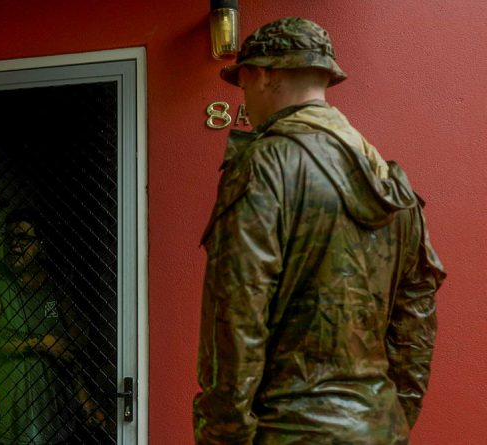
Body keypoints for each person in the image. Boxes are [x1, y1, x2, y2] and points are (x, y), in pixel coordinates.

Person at [194, 17, 446, 445]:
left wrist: (224, 435)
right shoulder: (389, 180)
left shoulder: (264, 165)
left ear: (263, 75)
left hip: (287, 431)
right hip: (379, 428)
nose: (246, 100)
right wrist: (392, 418)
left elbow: (236, 313)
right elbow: (416, 320)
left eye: (244, 84)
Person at [0, 208, 105, 444]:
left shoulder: (53, 283)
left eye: (23, 238)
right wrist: (41, 343)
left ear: (40, 244)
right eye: (9, 238)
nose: (14, 245)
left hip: (50, 408)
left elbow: (72, 342)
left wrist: (85, 400)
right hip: (8, 405)